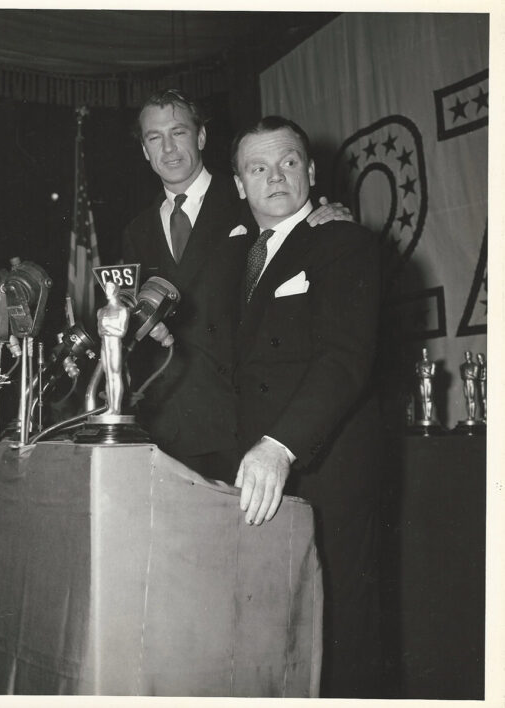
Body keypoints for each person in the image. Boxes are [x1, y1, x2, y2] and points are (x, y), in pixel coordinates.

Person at [122, 88, 352, 482]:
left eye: (178, 132)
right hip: (167, 425)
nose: (169, 148)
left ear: (202, 137)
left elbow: (300, 225)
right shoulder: (136, 230)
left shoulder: (250, 192)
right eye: (154, 138)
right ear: (144, 150)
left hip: (240, 422)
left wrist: (330, 215)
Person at [230, 115, 383, 697]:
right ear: (240, 185)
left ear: (311, 172)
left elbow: (344, 360)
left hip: (322, 470)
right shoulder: (238, 259)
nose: (275, 177)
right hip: (257, 480)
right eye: (257, 168)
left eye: (288, 162)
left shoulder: (342, 241)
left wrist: (281, 445)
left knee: (340, 637)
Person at [97, 281, 130, 414]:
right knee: (108, 376)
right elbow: (99, 332)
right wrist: (105, 329)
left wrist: (107, 327)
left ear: (116, 290)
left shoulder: (123, 310)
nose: (107, 290)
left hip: (115, 346)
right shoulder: (101, 311)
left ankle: (116, 409)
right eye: (106, 288)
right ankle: (111, 407)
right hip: (105, 346)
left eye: (110, 288)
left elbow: (122, 332)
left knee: (116, 375)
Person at [415, 347, 435, 422]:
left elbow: (432, 374)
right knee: (423, 399)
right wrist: (425, 374)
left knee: (428, 398)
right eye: (423, 352)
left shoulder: (431, 363)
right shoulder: (418, 364)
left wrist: (425, 373)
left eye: (426, 352)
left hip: (428, 381)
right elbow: (418, 374)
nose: (424, 354)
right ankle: (425, 416)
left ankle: (428, 416)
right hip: (422, 382)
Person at [460, 350, 479, 420]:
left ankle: (473, 416)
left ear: (471, 355)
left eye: (468, 355)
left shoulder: (475, 365)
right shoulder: (462, 366)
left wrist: (468, 376)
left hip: (472, 383)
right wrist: (469, 375)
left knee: (472, 399)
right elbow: (462, 376)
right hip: (466, 383)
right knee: (467, 399)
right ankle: (469, 415)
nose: (467, 356)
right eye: (466, 355)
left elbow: (475, 376)